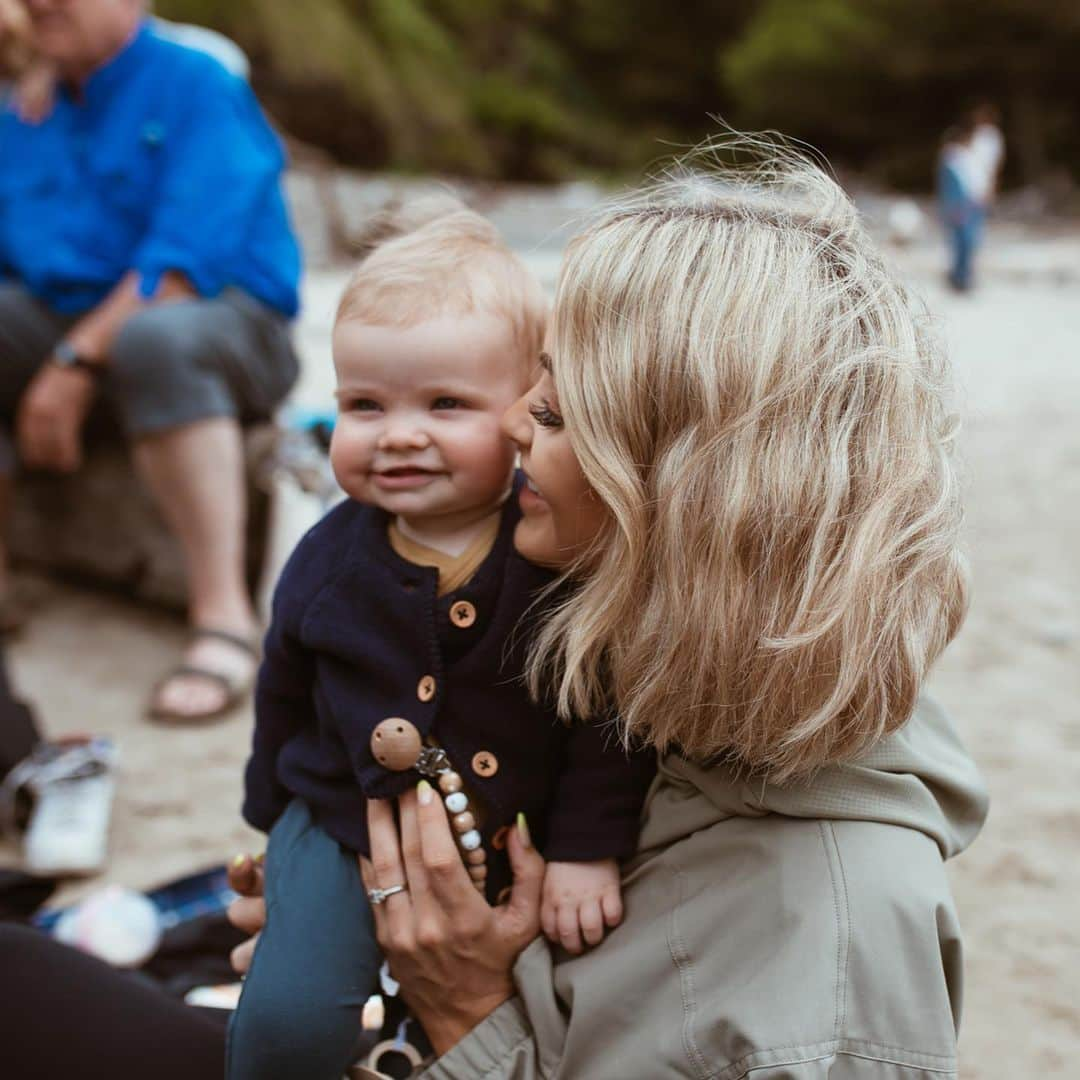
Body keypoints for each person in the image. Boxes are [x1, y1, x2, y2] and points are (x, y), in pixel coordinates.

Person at [230, 145, 987, 1078]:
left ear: (689, 489)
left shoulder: (832, 964)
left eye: (552, 412)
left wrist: (463, 1006)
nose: (510, 426)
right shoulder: (675, 664)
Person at [228, 200, 656, 1080]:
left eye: (445, 403)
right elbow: (282, 688)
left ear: (520, 413)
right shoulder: (326, 554)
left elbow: (601, 716)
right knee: (290, 1020)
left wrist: (586, 849)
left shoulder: (552, 558)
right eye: (364, 404)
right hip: (342, 822)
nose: (400, 434)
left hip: (515, 841)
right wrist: (273, 826)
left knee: (540, 995)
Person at [0, 0, 301, 720]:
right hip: (71, 313)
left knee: (154, 338)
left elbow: (181, 265)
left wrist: (75, 361)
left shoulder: (198, 79)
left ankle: (223, 618)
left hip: (225, 323)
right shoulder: (28, 106)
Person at [937, 120, 984, 291]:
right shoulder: (952, 161)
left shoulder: (962, 159)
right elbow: (952, 188)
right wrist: (955, 207)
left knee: (967, 244)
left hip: (968, 206)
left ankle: (962, 277)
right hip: (960, 207)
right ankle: (959, 279)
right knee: (962, 244)